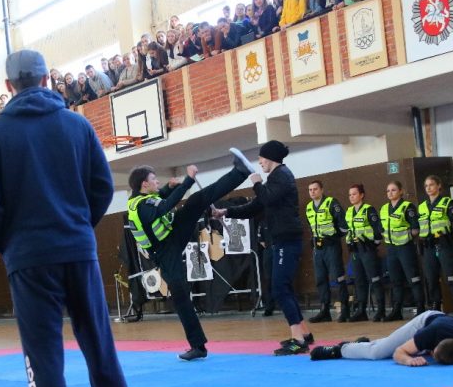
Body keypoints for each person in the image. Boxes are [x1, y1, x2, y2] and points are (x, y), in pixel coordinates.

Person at [0, 48, 142, 387]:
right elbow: (102, 187)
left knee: (43, 354)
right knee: (98, 339)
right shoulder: (78, 124)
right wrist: (78, 228)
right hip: (78, 248)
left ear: (8, 86)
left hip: (29, 257)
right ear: (48, 79)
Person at [128, 153, 250, 361]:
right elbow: (164, 207)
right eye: (153, 179)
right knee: (180, 296)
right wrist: (188, 181)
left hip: (172, 234)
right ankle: (198, 346)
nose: (157, 181)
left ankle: (239, 172)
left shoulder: (142, 198)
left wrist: (168, 187)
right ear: (144, 185)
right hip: (165, 252)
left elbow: (160, 199)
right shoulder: (141, 206)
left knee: (197, 201)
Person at [214, 141, 315, 356]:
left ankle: (298, 339)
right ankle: (304, 334)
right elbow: (256, 206)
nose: (259, 162)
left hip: (286, 240)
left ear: (271, 158)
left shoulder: (282, 176)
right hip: (282, 239)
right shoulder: (275, 179)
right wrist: (226, 212)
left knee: (279, 288)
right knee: (283, 287)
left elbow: (265, 197)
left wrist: (257, 183)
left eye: (261, 158)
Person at [310, 310, 453, 366]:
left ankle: (361, 346)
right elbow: (400, 351)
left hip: (449, 325)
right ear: (434, 346)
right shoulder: (429, 333)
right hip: (427, 320)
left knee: (389, 346)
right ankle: (341, 349)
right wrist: (407, 360)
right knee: (379, 353)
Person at [418, 175, 453, 318]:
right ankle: (435, 308)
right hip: (428, 248)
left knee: (451, 277)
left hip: (444, 246)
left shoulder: (446, 202)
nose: (429, 188)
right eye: (426, 186)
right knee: (431, 279)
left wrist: (450, 237)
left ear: (439, 186)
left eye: (431, 185)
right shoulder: (422, 206)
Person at [305, 180, 350, 323]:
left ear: (322, 190)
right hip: (318, 248)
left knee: (339, 278)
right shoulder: (309, 207)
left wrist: (334, 238)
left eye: (315, 189)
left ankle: (345, 309)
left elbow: (343, 226)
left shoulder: (331, 203)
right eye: (310, 190)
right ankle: (325, 310)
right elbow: (311, 227)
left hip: (331, 246)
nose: (312, 192)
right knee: (320, 279)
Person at [380, 180, 425, 321]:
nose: (390, 193)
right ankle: (396, 310)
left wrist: (405, 237)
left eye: (393, 190)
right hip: (391, 249)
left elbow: (416, 229)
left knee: (413, 279)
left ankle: (421, 309)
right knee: (395, 281)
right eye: (388, 190)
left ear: (400, 191)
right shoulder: (384, 209)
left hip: (405, 248)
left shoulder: (407, 207)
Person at [345, 183, 386, 322]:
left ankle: (381, 310)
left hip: (368, 250)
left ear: (362, 195)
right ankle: (361, 310)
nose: (351, 197)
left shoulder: (369, 210)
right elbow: (349, 230)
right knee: (359, 281)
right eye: (350, 194)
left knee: (374, 279)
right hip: (355, 251)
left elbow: (378, 231)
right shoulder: (349, 211)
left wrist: (372, 244)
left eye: (354, 194)